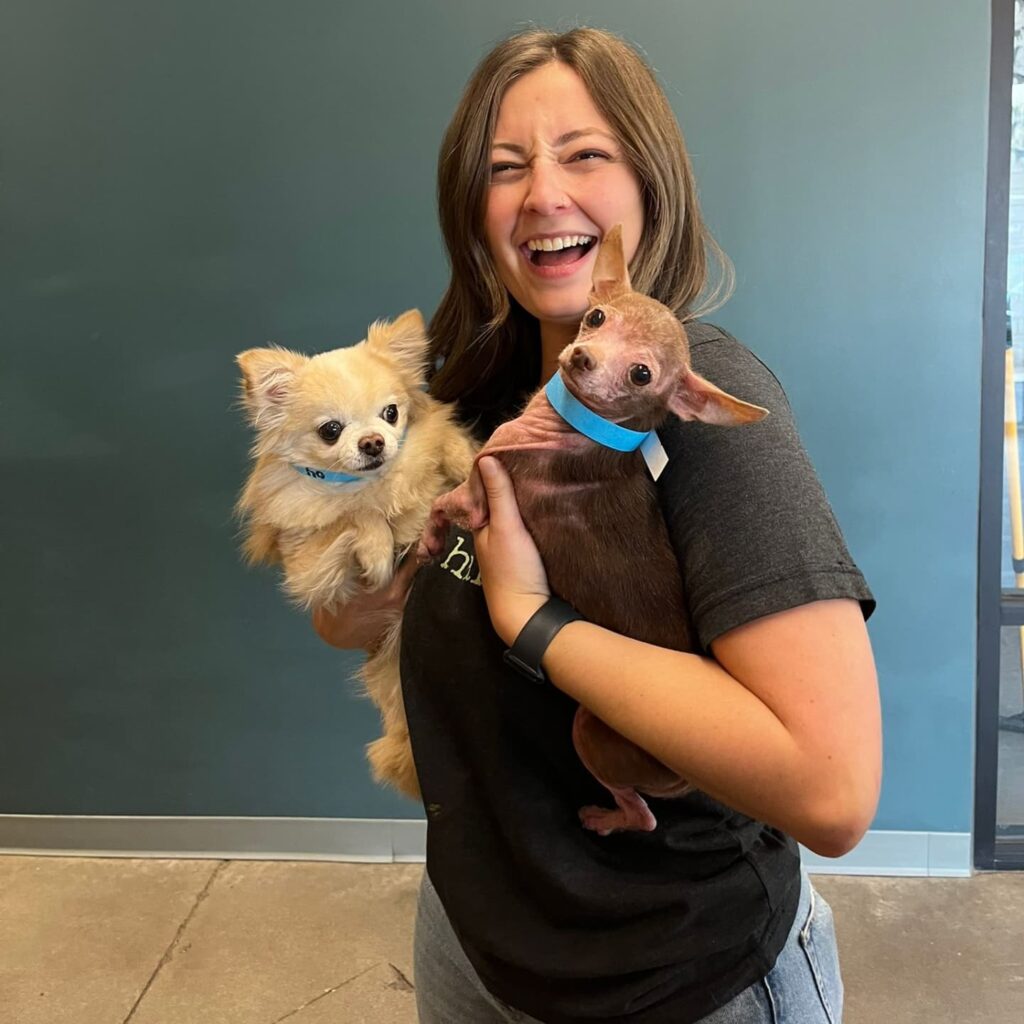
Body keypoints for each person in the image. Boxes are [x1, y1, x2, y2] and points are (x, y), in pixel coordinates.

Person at [315, 26, 880, 1024]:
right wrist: (355, 572)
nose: (541, 194)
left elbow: (831, 790)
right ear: (472, 209)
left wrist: (530, 617)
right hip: (476, 935)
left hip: (671, 975)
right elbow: (353, 617)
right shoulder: (472, 390)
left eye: (584, 153)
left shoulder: (693, 404)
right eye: (503, 167)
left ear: (645, 186)